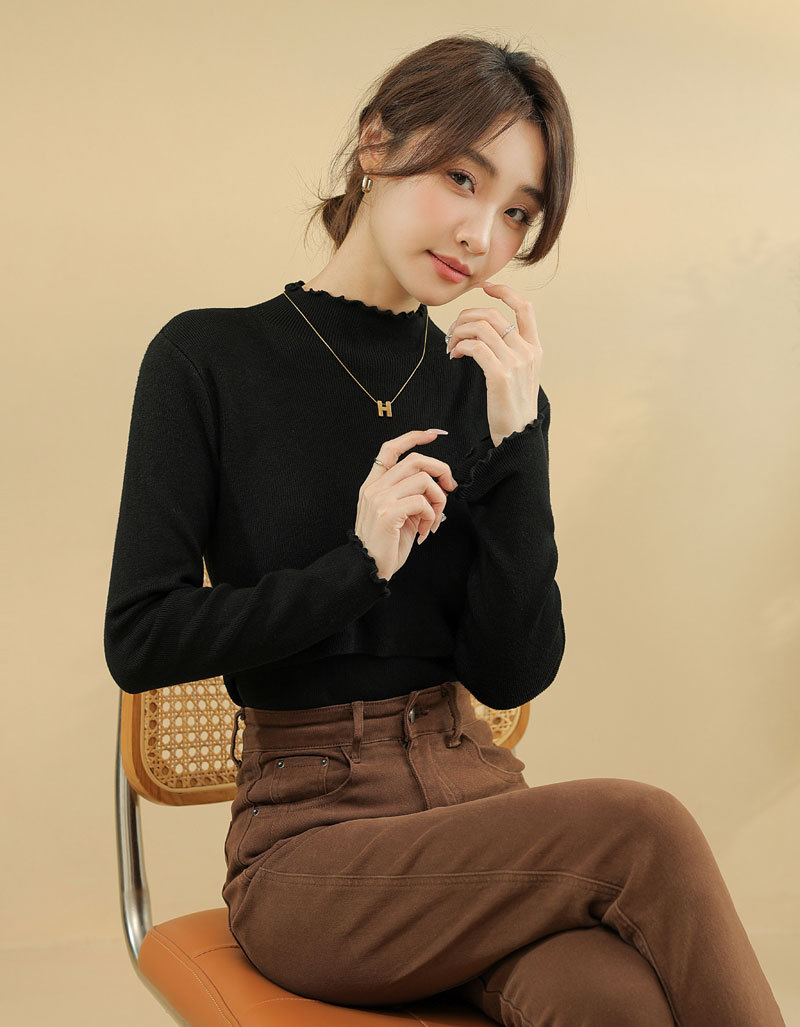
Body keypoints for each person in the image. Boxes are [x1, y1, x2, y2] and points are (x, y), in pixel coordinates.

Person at [104, 33, 786, 1027]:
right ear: (376, 143)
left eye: (516, 212)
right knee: (644, 826)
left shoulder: (486, 390)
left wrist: (518, 442)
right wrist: (357, 566)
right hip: (310, 846)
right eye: (462, 178)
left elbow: (510, 674)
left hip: (479, 812)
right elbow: (141, 639)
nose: (480, 232)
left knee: (612, 1001)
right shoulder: (207, 358)